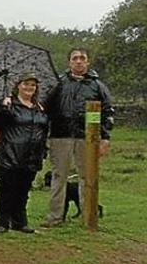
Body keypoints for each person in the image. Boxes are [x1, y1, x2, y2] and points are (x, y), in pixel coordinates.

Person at [42, 48, 114, 227]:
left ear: (88, 62)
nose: (79, 61)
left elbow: (108, 112)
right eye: (75, 58)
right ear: (69, 62)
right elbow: (45, 108)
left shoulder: (98, 86)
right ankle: (55, 217)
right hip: (61, 136)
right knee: (59, 176)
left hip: (88, 138)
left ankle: (89, 216)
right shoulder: (58, 83)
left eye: (83, 58)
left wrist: (105, 138)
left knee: (87, 176)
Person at [0, 72, 49, 234]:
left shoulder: (39, 108)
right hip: (10, 154)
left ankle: (19, 221)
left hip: (32, 156)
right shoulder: (8, 103)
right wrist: (3, 109)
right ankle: (2, 222)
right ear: (18, 86)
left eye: (33, 85)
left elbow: (44, 129)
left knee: (24, 190)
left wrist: (43, 150)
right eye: (25, 84)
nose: (29, 88)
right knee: (7, 189)